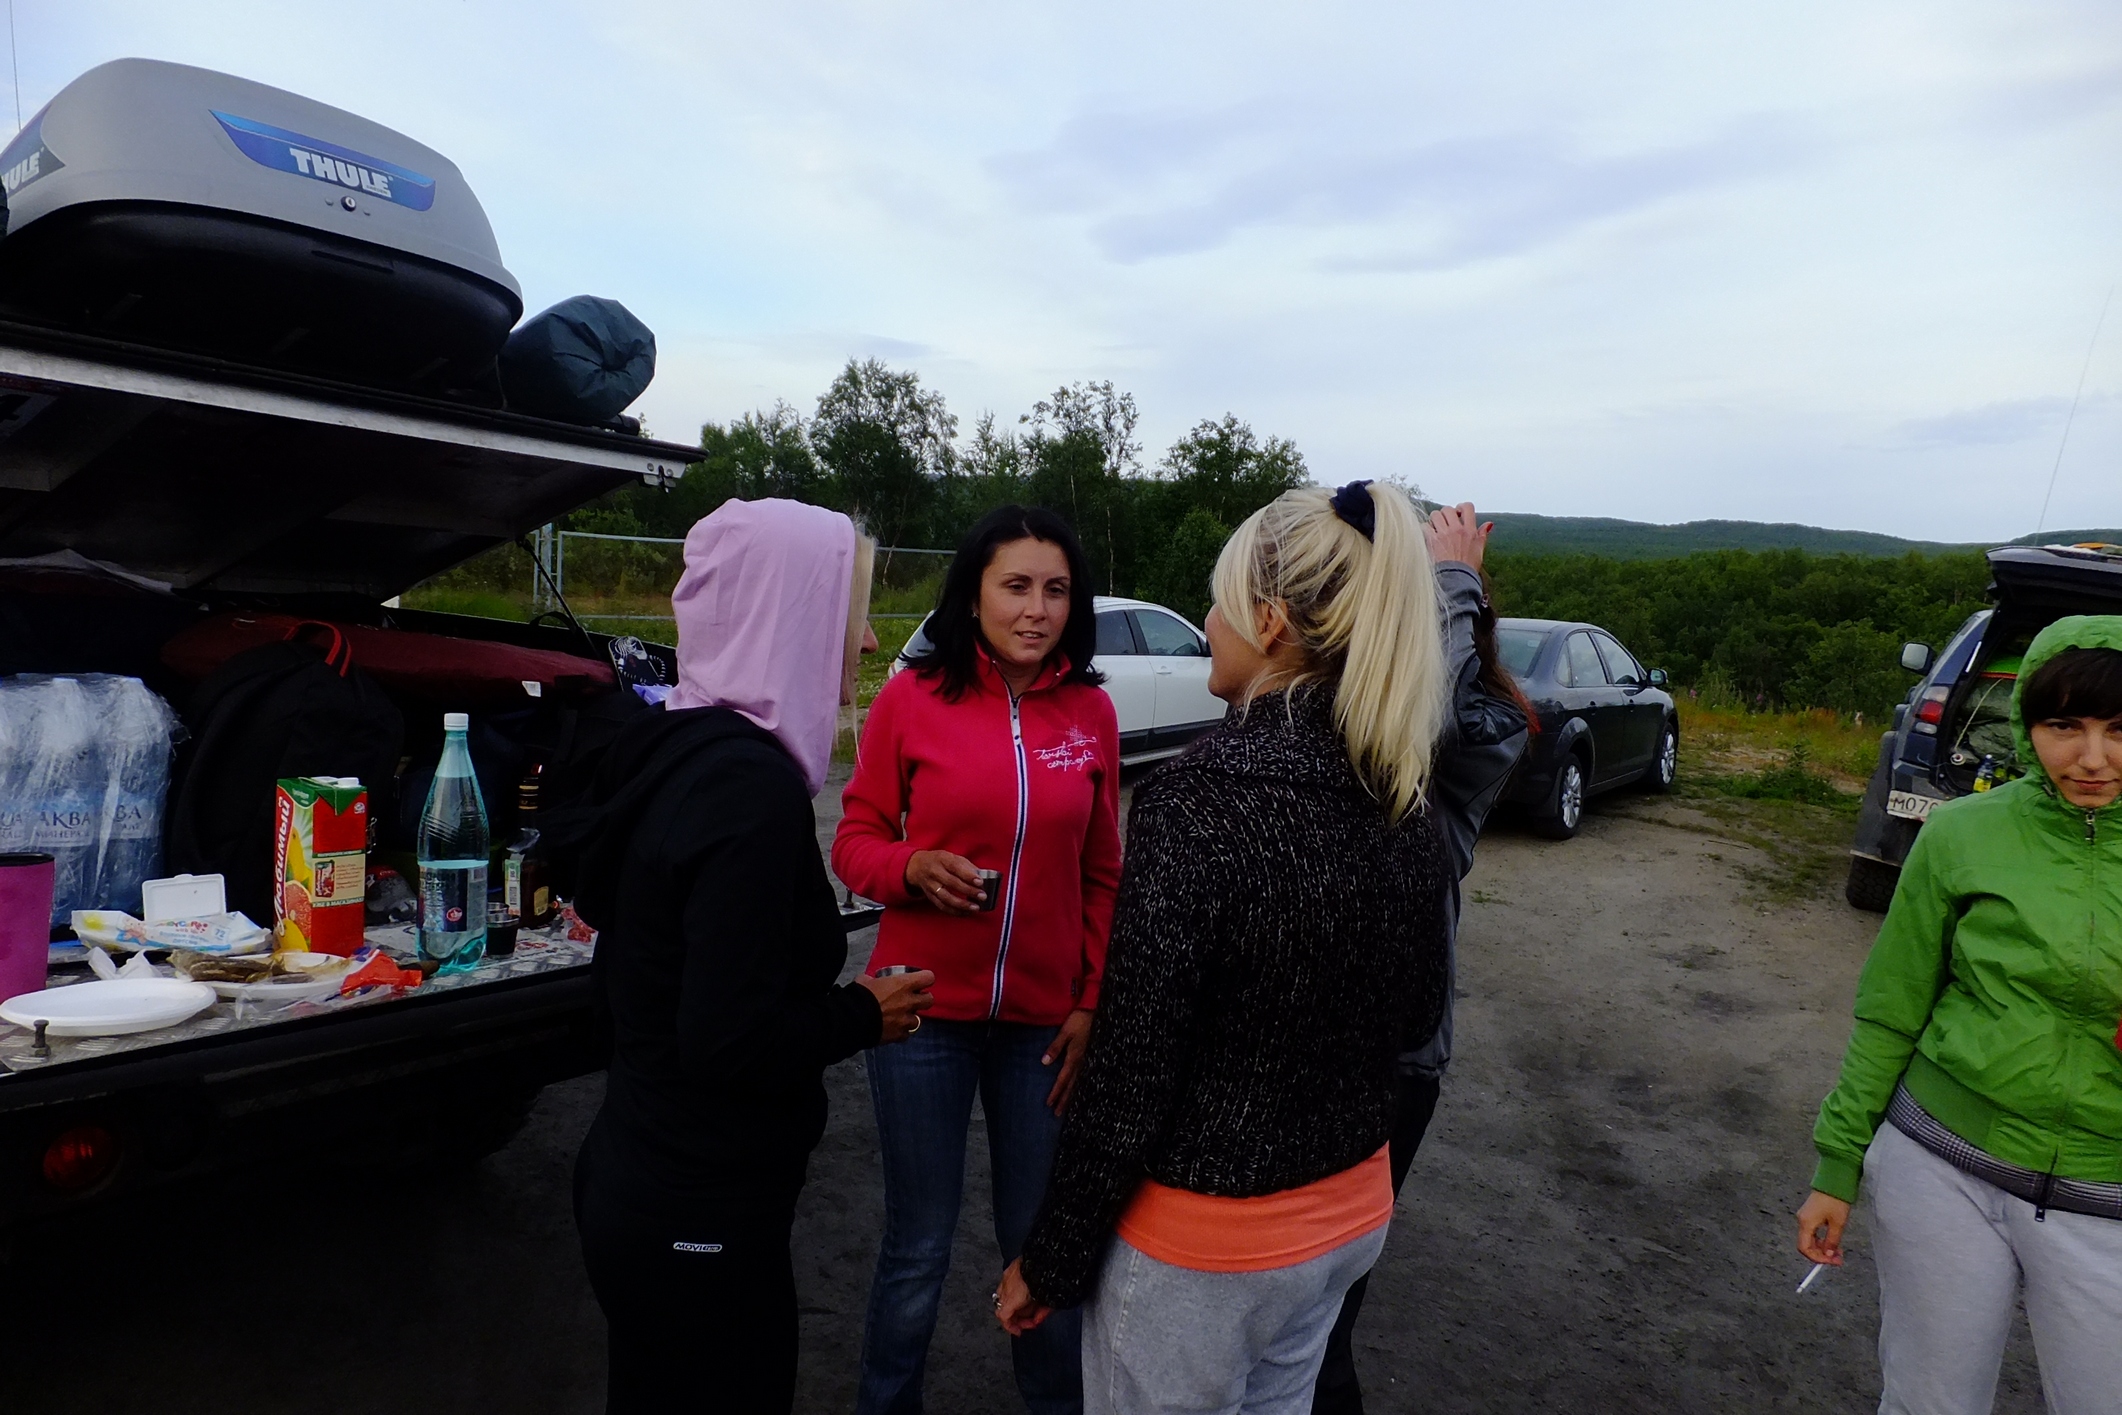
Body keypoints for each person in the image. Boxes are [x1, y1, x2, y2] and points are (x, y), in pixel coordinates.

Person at [997, 479, 1453, 1415]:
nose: (1205, 622)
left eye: (1217, 601)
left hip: (1206, 1251)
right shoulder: (1401, 790)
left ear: (1270, 620)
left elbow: (1131, 1070)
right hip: (1346, 1213)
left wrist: (1051, 1258)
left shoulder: (1196, 802)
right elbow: (1416, 1015)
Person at [571, 498, 935, 1415]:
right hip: (696, 1208)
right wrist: (863, 1012)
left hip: (640, 1174)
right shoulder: (746, 792)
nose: (864, 642)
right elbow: (726, 1040)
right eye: (848, 612)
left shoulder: (673, 742)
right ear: (790, 615)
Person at [833, 505, 1124, 1415]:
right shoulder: (911, 699)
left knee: (1040, 1243)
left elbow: (1104, 872)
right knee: (918, 1242)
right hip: (917, 1012)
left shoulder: (1092, 711)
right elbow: (854, 839)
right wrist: (911, 866)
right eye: (1016, 586)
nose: (1037, 608)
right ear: (972, 594)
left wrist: (1090, 999)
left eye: (1056, 589)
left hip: (1043, 1026)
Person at [1797, 615, 2122, 1415]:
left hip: (2105, 1194)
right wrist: (1837, 1165)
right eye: (2064, 726)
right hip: (1941, 1167)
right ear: (2026, 725)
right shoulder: (1962, 833)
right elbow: (1890, 1009)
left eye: (2120, 730)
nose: (2093, 757)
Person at [1311, 504, 1532, 1415]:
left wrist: (1447, 579)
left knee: (1325, 1314)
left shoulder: (1488, 723)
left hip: (1396, 1059)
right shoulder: (1326, 703)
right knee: (1284, 1305)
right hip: (1302, 1036)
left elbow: (1413, 732)